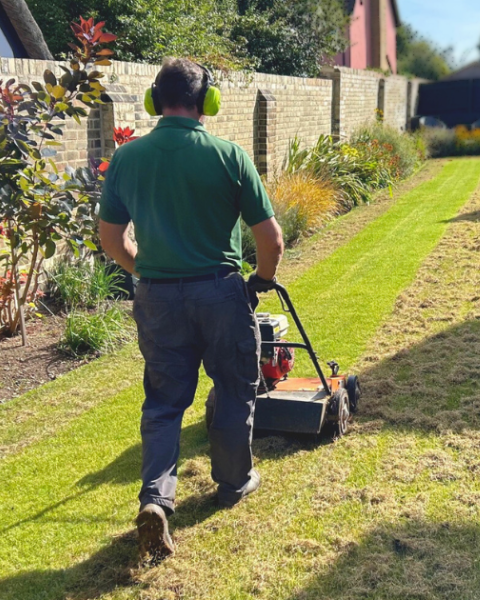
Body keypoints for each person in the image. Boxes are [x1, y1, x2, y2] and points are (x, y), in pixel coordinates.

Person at [98, 58, 284, 560]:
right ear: (207, 102)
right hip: (219, 293)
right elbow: (271, 240)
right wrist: (262, 280)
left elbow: (111, 240)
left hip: (157, 298)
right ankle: (233, 482)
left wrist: (144, 272)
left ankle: (156, 499)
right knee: (234, 388)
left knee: (163, 402)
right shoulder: (229, 156)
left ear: (154, 100)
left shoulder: (127, 158)